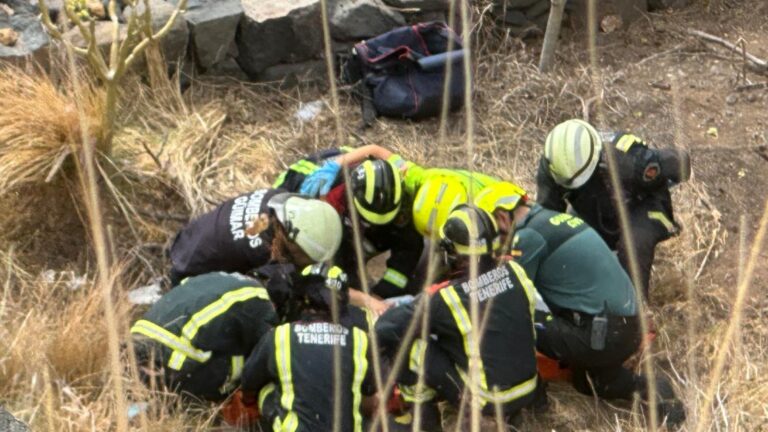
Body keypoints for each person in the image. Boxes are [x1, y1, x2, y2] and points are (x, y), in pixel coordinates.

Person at [474, 181, 685, 427]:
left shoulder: (526, 237)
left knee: (516, 318)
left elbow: (508, 297)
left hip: (603, 334)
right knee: (589, 382)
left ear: (501, 217)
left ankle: (530, 397)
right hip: (623, 328)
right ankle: (652, 388)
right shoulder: (550, 219)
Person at [376, 205, 539, 430]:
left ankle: (424, 420)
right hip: (529, 387)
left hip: (489, 401)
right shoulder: (516, 270)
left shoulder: (448, 297)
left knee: (408, 348)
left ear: (451, 252)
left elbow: (386, 326)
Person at [536, 119, 691, 299]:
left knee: (633, 244)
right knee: (568, 243)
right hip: (594, 212)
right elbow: (548, 219)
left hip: (645, 207)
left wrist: (656, 168)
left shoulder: (629, 159)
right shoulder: (553, 167)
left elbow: (680, 161)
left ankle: (634, 310)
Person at [241, 263, 376, 432]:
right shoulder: (360, 339)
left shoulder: (280, 336)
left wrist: (248, 404)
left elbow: (249, 382)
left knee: (266, 390)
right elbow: (371, 390)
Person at [130, 272, 277, 402]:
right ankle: (213, 404)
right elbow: (265, 354)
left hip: (137, 339)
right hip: (173, 359)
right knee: (239, 362)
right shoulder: (261, 300)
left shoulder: (216, 277)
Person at [168, 189, 342, 286]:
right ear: (293, 242)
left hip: (189, 237)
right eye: (308, 257)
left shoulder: (277, 199)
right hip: (188, 271)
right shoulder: (263, 251)